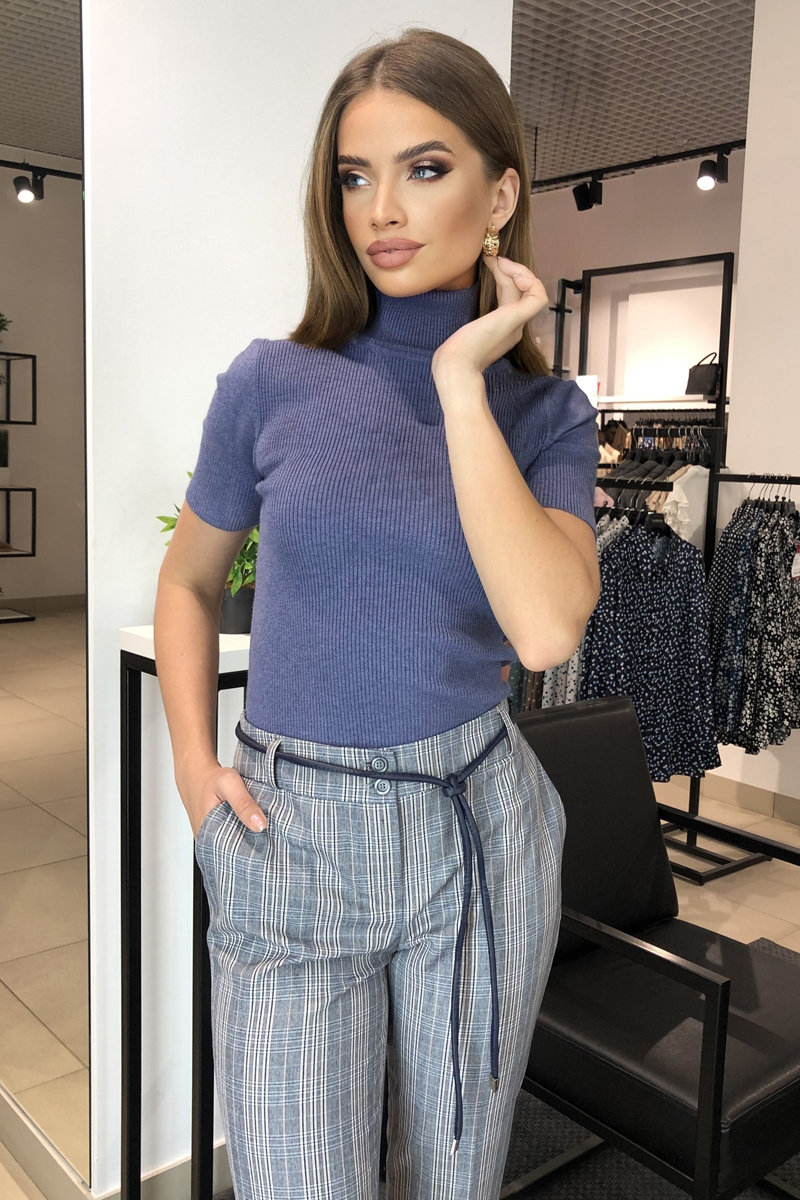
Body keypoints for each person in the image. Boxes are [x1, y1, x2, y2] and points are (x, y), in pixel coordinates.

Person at [154, 25, 600, 1200]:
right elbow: (189, 581)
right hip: (292, 833)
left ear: (499, 195)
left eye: (424, 167)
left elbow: (544, 629)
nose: (381, 210)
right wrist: (196, 772)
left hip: (480, 825)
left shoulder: (543, 412)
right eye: (354, 176)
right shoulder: (270, 381)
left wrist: (461, 382)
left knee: (460, 1175)